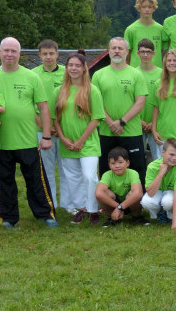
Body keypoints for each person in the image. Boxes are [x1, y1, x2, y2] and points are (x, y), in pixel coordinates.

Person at [0, 37, 58, 227]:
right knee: (4, 182)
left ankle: (45, 214)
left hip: (28, 140)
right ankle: (7, 218)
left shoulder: (31, 77)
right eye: (6, 50)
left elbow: (43, 108)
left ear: (20, 53)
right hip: (0, 141)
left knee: (36, 181)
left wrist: (46, 136)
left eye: (13, 51)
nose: (9, 54)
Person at [54, 51, 103, 225]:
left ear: (84, 69)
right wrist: (63, 138)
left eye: (77, 65)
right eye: (70, 65)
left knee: (89, 177)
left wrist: (81, 141)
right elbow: (55, 119)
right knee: (73, 179)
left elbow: (96, 118)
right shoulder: (59, 91)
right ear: (66, 68)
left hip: (87, 143)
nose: (73, 68)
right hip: (67, 144)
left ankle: (93, 209)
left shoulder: (92, 90)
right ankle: (81, 209)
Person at [92, 37, 148, 185]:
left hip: (131, 131)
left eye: (120, 48)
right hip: (106, 131)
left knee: (137, 170)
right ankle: (109, 199)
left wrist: (122, 122)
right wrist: (111, 123)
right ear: (109, 51)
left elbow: (140, 102)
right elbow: (96, 103)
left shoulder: (136, 74)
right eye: (114, 48)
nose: (117, 51)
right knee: (106, 170)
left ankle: (137, 198)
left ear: (127, 52)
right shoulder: (98, 75)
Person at [32, 39, 66, 209]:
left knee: (66, 169)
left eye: (51, 53)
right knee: (47, 170)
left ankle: (69, 204)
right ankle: (51, 203)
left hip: (64, 129)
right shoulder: (33, 74)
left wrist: (60, 127)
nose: (48, 57)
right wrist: (43, 125)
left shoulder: (67, 73)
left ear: (57, 54)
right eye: (44, 54)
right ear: (39, 55)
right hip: (41, 129)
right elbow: (29, 103)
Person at [140, 138, 176, 228]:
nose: (174, 158)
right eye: (171, 154)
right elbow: (150, 193)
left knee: (168, 202)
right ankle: (160, 214)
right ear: (163, 152)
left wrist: (175, 223)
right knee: (146, 202)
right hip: (157, 191)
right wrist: (161, 173)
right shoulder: (152, 167)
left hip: (170, 193)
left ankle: (171, 216)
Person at [95, 146, 144, 227]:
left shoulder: (133, 173)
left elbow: (138, 193)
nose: (117, 166)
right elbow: (98, 193)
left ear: (127, 163)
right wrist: (118, 207)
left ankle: (137, 216)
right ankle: (112, 217)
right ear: (109, 165)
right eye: (113, 163)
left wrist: (120, 207)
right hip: (114, 204)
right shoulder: (107, 175)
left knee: (134, 192)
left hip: (129, 203)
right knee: (103, 193)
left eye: (120, 162)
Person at [135, 39, 163, 159]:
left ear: (153, 54)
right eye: (142, 52)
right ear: (138, 53)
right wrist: (138, 120)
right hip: (136, 123)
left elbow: (164, 101)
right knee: (137, 159)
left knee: (159, 159)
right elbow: (130, 101)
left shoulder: (162, 74)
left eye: (148, 52)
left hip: (157, 125)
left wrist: (154, 123)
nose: (145, 55)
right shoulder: (133, 73)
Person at [124, 0, 165, 68]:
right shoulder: (130, 29)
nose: (147, 9)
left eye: (150, 7)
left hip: (156, 71)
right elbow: (127, 54)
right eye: (144, 7)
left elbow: (161, 51)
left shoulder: (161, 29)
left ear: (154, 8)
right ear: (138, 8)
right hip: (136, 71)